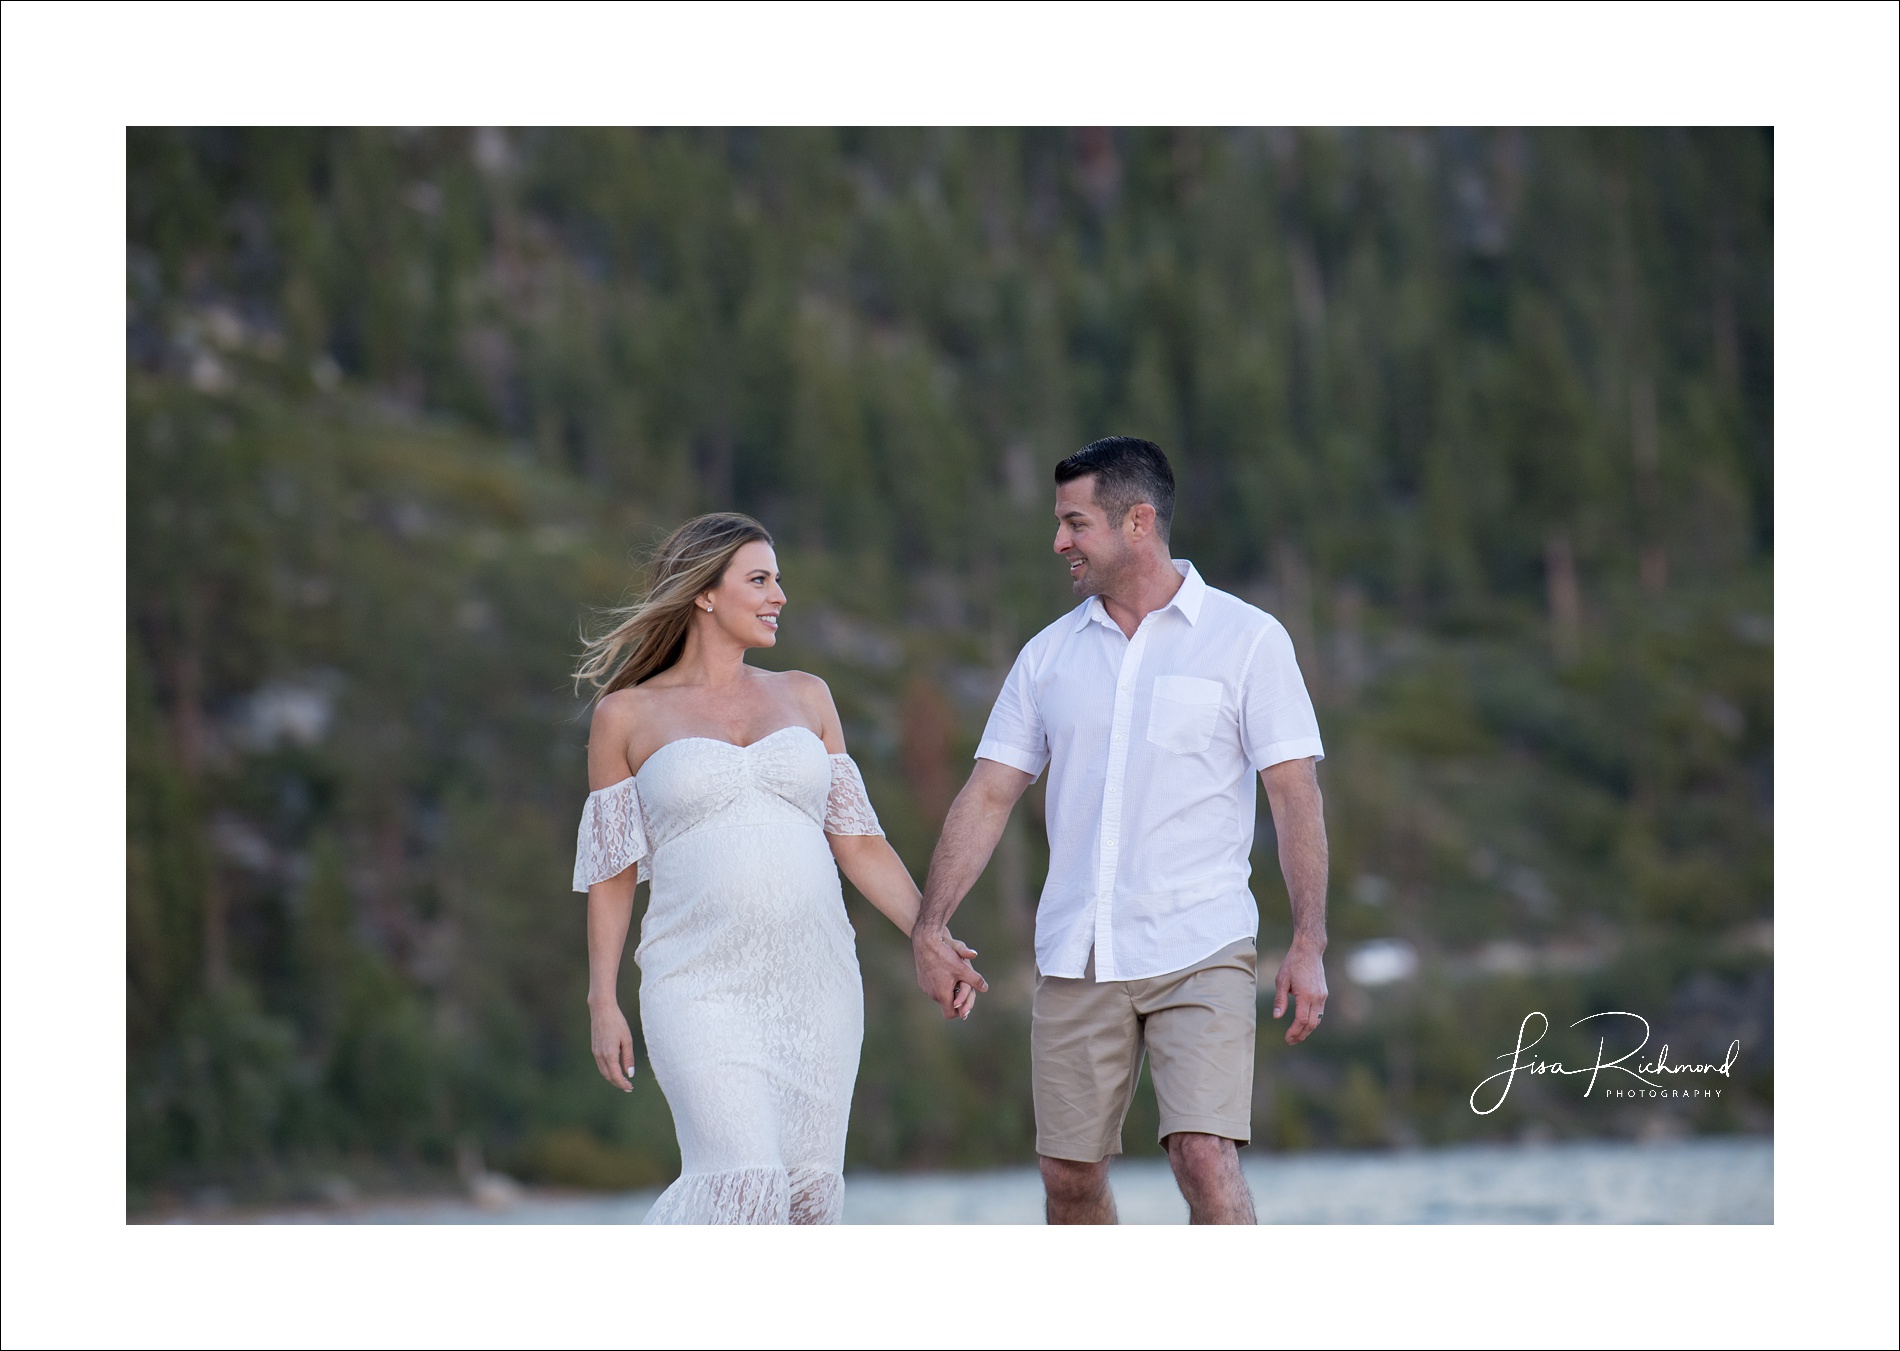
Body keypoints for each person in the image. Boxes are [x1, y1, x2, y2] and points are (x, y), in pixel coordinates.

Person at [913, 437, 1330, 1225]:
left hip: (1201, 942)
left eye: (1075, 523)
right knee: (1068, 1174)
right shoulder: (1046, 658)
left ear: (1137, 521)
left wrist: (1308, 938)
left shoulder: (1249, 640)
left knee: (1203, 1156)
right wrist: (931, 924)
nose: (1059, 542)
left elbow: (1294, 794)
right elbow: (989, 793)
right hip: (1080, 949)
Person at [572, 512, 986, 1224]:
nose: (779, 595)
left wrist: (931, 934)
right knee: (744, 1180)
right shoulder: (626, 715)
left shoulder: (807, 694)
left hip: (816, 982)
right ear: (705, 593)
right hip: (695, 979)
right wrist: (602, 998)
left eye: (779, 579)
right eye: (759, 579)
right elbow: (613, 875)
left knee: (804, 1198)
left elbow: (856, 842)